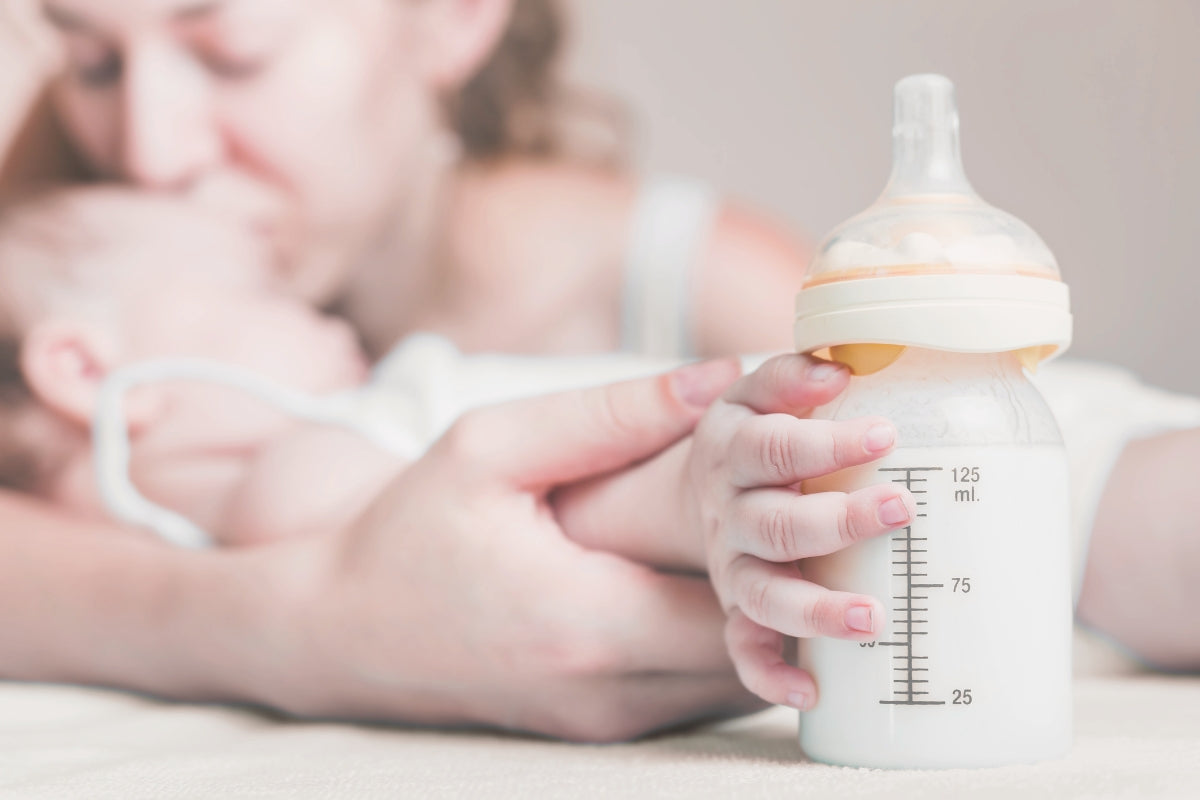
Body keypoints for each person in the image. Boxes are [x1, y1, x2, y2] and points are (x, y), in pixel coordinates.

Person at [0, 0, 1195, 741]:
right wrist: (295, 621)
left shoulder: (699, 275)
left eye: (235, 48)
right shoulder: (97, 278)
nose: (147, 149)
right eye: (92, 65)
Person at [1, 186, 911, 713]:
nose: (324, 320)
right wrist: (689, 494)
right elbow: (527, 526)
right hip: (771, 447)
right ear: (86, 369)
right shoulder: (288, 475)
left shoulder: (298, 461)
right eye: (267, 297)